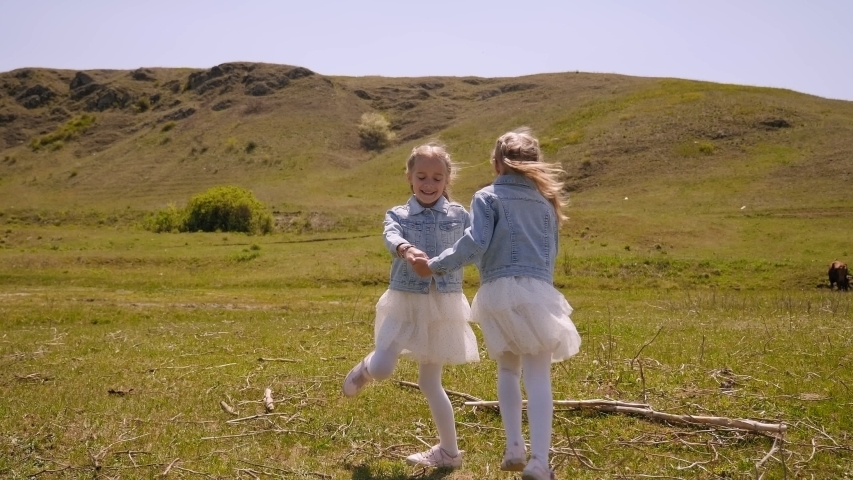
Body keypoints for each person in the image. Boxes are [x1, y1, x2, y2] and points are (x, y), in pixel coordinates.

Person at [413, 128, 581, 480]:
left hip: (499, 292)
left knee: (508, 371)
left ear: (495, 164)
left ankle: (514, 446)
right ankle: (539, 461)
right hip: (537, 290)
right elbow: (552, 253)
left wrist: (437, 264)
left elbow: (474, 244)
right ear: (534, 164)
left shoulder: (487, 197)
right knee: (538, 376)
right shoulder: (547, 201)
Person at [342, 142, 480, 469]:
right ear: (409, 177)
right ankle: (365, 368)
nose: (429, 184)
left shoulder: (460, 215)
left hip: (443, 303)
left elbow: (476, 244)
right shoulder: (399, 214)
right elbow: (391, 236)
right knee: (382, 368)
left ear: (447, 179)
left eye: (437, 177)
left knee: (431, 382)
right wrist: (407, 249)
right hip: (405, 299)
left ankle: (449, 453)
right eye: (422, 176)